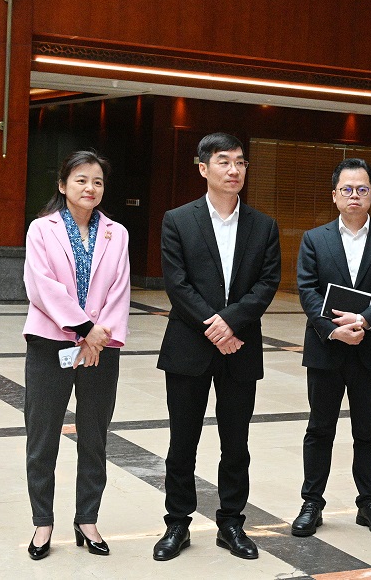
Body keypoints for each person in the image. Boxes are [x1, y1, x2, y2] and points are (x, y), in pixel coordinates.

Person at [152, 133, 281, 562]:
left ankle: (231, 523)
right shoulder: (178, 219)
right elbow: (177, 283)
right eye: (224, 161)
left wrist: (232, 323)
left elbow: (267, 283)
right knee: (182, 442)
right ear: (203, 168)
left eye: (240, 162)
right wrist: (216, 325)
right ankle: (177, 523)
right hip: (189, 346)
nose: (234, 170)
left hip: (239, 347)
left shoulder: (263, 225)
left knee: (236, 443)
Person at [293, 158, 371, 537]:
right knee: (319, 429)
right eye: (347, 189)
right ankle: (312, 503)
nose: (354, 195)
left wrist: (364, 320)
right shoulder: (315, 239)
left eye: (362, 189)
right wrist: (333, 330)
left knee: (368, 430)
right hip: (326, 349)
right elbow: (307, 291)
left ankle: (369, 503)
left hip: (370, 349)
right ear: (335, 195)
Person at [22, 150, 131, 560]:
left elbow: (120, 289)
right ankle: (42, 522)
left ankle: (87, 518)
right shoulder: (41, 229)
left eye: (97, 181)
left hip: (102, 347)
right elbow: (41, 285)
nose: (90, 188)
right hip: (50, 344)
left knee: (94, 436)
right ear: (62, 184)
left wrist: (97, 336)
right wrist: (84, 328)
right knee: (43, 435)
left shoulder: (117, 233)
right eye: (81, 180)